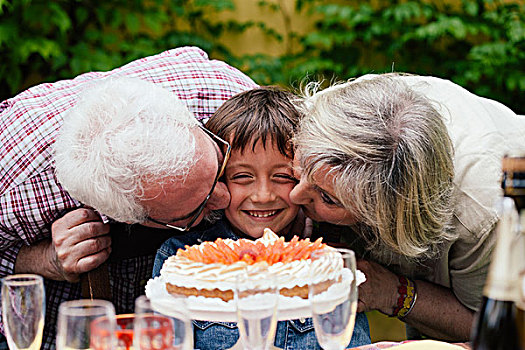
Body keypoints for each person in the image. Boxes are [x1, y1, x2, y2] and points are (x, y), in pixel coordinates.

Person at [0, 46, 257, 349]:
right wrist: (44, 260)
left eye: (218, 164)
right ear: (128, 218)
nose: (225, 198)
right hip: (66, 328)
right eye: (195, 209)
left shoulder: (226, 95)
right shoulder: (14, 177)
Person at [289, 73, 525, 342]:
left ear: (383, 216)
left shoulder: (482, 211)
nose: (295, 196)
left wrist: (392, 292)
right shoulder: (326, 114)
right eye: (302, 166)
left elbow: (495, 332)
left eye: (328, 198)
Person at [152, 87, 372, 349]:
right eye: (243, 177)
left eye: (282, 177)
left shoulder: (328, 259)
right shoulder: (182, 260)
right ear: (218, 181)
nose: (264, 196)